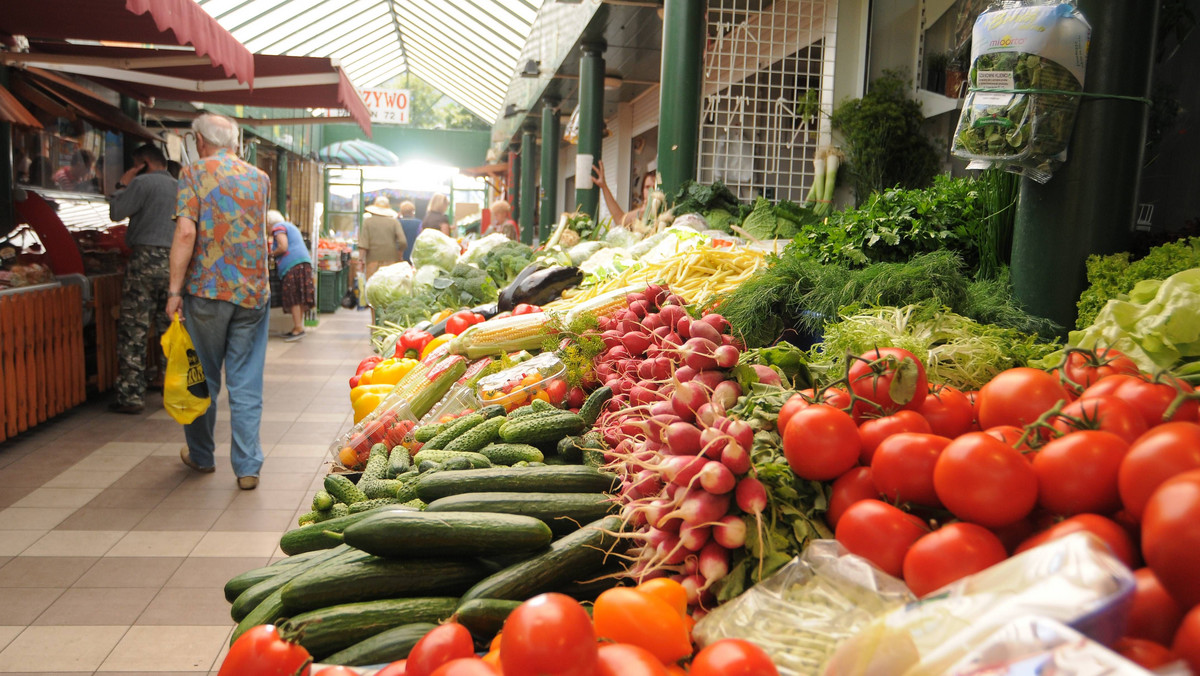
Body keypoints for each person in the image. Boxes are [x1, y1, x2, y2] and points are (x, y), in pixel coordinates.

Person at [166, 113, 271, 491]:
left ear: (198, 140)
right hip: (252, 293)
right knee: (246, 383)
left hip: (207, 291)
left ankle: (201, 455)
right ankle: (247, 467)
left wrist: (174, 291)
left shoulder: (193, 174)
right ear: (236, 141)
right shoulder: (260, 178)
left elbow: (185, 231)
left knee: (203, 379)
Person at [108, 144, 178, 414]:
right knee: (169, 330)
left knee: (134, 330)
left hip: (144, 260)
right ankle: (171, 389)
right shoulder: (178, 185)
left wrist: (122, 184)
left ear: (144, 163)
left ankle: (130, 396)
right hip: (173, 261)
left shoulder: (141, 182)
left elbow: (116, 212)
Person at [268, 210, 314, 341]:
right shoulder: (290, 225)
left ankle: (298, 328)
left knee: (293, 296)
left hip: (293, 264)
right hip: (302, 262)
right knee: (299, 296)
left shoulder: (278, 227)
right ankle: (298, 326)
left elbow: (283, 246)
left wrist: (271, 254)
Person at [592, 159, 657, 228]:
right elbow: (620, 220)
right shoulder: (641, 211)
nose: (651, 191)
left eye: (654, 187)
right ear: (642, 190)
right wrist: (603, 186)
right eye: (647, 187)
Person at [359, 196, 407, 279]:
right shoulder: (394, 222)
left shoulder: (367, 222)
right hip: (391, 261)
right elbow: (402, 241)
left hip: (372, 261)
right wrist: (399, 255)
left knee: (372, 288)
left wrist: (360, 260)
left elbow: (363, 244)